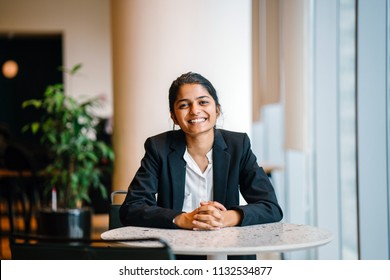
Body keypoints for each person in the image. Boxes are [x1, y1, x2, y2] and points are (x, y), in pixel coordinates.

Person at [120, 72, 283, 258]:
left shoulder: (239, 145)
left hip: (229, 257)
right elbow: (131, 208)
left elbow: (271, 207)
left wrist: (227, 217)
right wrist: (182, 218)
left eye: (203, 102)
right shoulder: (159, 148)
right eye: (184, 105)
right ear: (173, 116)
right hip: (176, 258)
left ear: (217, 109)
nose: (195, 110)